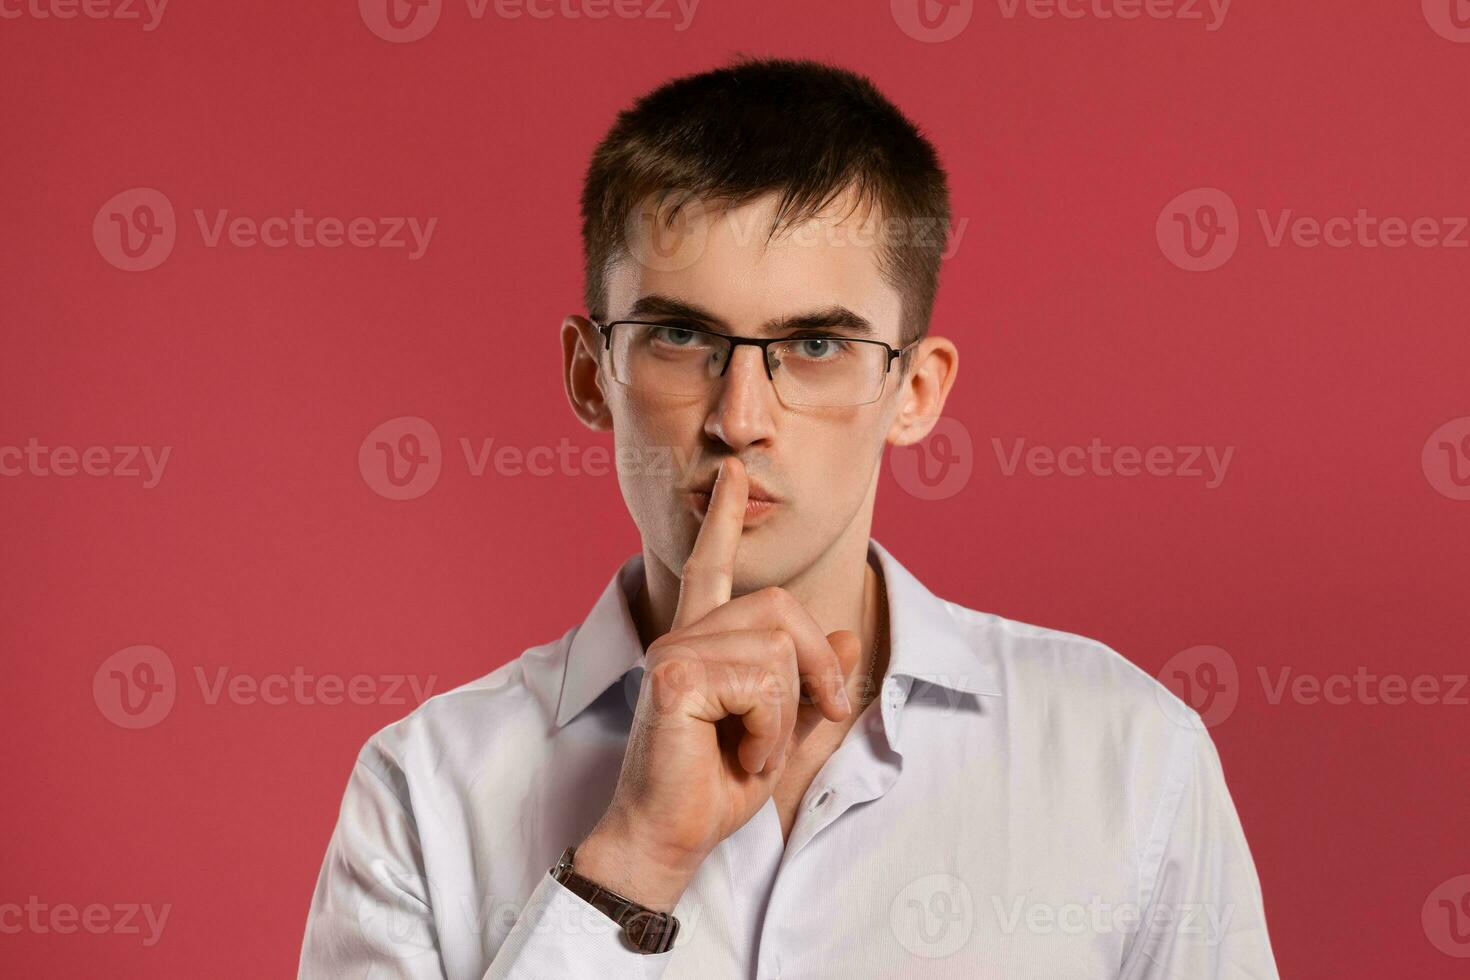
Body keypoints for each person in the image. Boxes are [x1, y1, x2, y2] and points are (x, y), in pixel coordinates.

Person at [299, 55, 1280, 978]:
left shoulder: (1130, 752)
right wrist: (631, 858)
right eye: (679, 334)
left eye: (814, 342)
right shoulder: (425, 787)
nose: (739, 419)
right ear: (590, 373)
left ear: (916, 390)